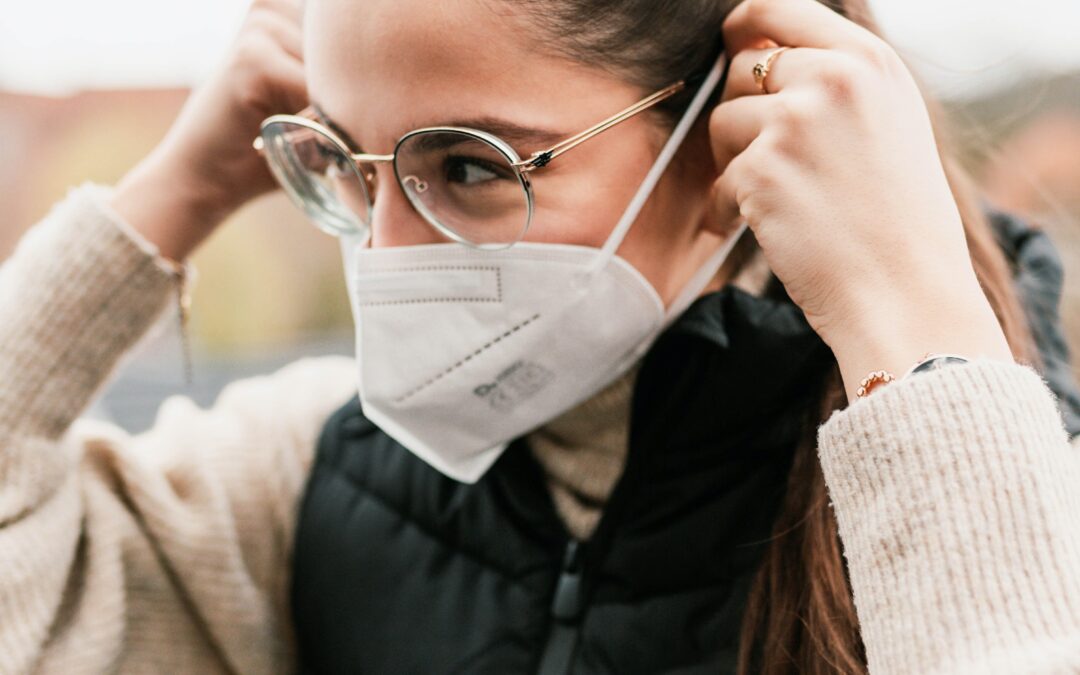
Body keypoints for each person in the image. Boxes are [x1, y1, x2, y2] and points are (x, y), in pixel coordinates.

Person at [2, 0, 1080, 672]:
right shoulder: (316, 482)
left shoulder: (1014, 493)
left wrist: (915, 321)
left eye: (468, 168)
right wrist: (175, 189)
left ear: (721, 145)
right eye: (343, 159)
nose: (382, 256)